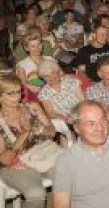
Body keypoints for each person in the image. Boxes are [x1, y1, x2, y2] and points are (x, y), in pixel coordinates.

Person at [0, 73, 57, 208]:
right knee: (36, 193)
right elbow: (4, 159)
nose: (17, 97)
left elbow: (52, 131)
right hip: (16, 165)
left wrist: (42, 130)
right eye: (11, 94)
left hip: (43, 155)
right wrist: (25, 134)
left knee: (69, 180)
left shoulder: (32, 107)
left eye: (18, 92)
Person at [16, 32, 55, 101]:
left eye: (39, 44)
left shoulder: (50, 59)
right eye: (33, 46)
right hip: (36, 95)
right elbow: (22, 82)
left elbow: (61, 75)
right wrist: (30, 87)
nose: (37, 48)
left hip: (55, 90)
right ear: (26, 48)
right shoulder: (22, 64)